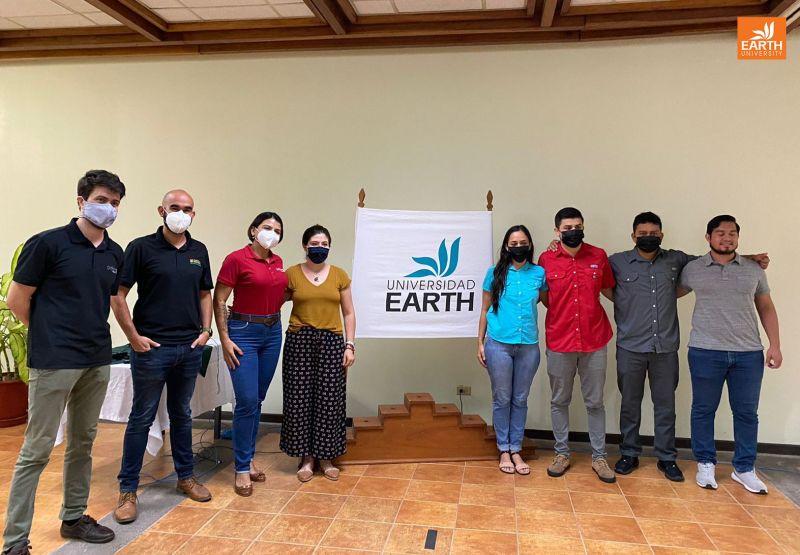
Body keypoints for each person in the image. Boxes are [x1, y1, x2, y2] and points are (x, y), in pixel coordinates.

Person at [2, 170, 125, 555]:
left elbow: (106, 301)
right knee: (36, 450)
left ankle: (73, 517)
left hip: (96, 358)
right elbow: (17, 300)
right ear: (81, 201)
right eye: (102, 199)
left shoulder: (113, 253)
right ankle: (15, 540)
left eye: (115, 203)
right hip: (55, 360)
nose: (108, 208)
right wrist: (48, 334)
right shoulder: (48, 244)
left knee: (83, 442)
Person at [608, 212, 770, 482]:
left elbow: (717, 258)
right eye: (643, 233)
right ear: (633, 236)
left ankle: (666, 458)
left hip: (665, 347)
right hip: (630, 346)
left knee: (665, 405)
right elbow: (600, 282)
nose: (649, 237)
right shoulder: (617, 262)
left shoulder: (677, 260)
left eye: (654, 233)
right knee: (630, 404)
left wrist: (750, 258)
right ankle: (629, 453)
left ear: (662, 235)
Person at [111, 190, 214, 524]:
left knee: (182, 415)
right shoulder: (141, 248)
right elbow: (119, 295)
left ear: (194, 215)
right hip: (151, 349)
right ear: (161, 211)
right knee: (141, 417)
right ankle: (127, 490)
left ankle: (186, 477)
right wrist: (133, 337)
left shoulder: (199, 251)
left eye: (187, 209)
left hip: (188, 348)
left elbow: (205, 294)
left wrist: (206, 331)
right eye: (174, 208)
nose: (180, 213)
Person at [678, 215, 781, 494]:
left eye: (732, 233)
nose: (727, 238)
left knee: (747, 412)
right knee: (703, 410)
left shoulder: (753, 269)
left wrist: (775, 345)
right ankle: (705, 463)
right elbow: (669, 292)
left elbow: (766, 307)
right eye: (720, 233)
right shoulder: (693, 269)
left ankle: (744, 468)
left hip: (748, 353)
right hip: (704, 350)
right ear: (708, 237)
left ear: (738, 237)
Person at [538, 207, 616, 483]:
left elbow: (609, 291)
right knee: (560, 400)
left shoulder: (598, 256)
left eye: (578, 226)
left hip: (595, 340)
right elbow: (546, 299)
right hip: (560, 340)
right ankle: (561, 454)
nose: (573, 231)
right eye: (567, 228)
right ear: (557, 231)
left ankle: (599, 457)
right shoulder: (546, 259)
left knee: (595, 402)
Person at [214, 212, 287, 497]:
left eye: (277, 230)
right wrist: (225, 338)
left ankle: (248, 457)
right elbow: (220, 299)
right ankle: (241, 468)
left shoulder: (278, 263)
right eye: (267, 227)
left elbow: (280, 292)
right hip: (243, 331)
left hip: (272, 331)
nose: (272, 233)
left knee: (256, 399)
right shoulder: (236, 259)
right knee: (245, 401)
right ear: (254, 230)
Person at [280, 225, 356, 482]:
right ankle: (306, 458)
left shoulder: (339, 275)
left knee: (329, 399)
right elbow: (272, 301)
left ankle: (326, 456)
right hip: (299, 341)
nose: (320, 248)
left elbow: (348, 313)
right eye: (315, 243)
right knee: (299, 399)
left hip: (332, 341)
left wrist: (350, 344)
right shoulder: (291, 274)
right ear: (304, 245)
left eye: (325, 244)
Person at [477, 225, 546, 475]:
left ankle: (516, 449)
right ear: (507, 246)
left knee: (520, 398)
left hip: (528, 345)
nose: (519, 247)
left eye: (523, 242)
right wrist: (480, 342)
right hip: (498, 344)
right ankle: (503, 449)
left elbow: (544, 301)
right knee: (502, 398)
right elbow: (484, 309)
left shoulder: (539, 273)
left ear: (530, 244)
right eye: (514, 243)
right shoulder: (494, 273)